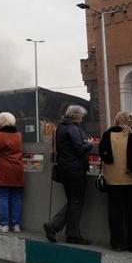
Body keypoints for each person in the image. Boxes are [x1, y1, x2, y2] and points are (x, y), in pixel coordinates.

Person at [99, 111, 132, 253]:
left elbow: (102, 153)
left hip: (113, 181)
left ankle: (117, 244)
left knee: (115, 213)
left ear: (116, 120)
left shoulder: (107, 135)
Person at [45, 105, 93, 245]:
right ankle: (69, 234)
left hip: (64, 169)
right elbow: (79, 149)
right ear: (76, 116)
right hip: (75, 170)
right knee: (77, 201)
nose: (82, 118)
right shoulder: (73, 128)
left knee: (73, 201)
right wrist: (89, 144)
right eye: (81, 115)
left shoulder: (60, 127)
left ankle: (56, 228)